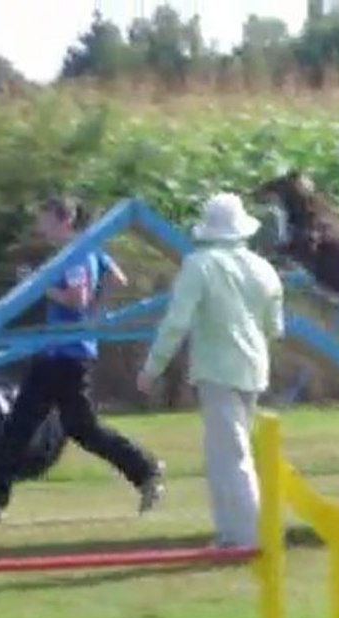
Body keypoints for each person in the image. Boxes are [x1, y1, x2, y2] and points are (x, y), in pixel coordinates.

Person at [0, 196, 166, 523]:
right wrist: (97, 314)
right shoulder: (88, 249)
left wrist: (38, 285)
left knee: (60, 427)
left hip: (65, 355)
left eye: (43, 219)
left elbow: (76, 298)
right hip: (62, 351)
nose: (38, 227)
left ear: (64, 220)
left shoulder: (73, 256)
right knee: (38, 424)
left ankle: (146, 468)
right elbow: (116, 277)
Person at [136, 191, 284, 548]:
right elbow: (275, 328)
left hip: (218, 368)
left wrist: (152, 367)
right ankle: (233, 533)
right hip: (254, 367)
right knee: (230, 452)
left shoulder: (199, 265)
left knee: (229, 455)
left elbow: (176, 323)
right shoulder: (264, 268)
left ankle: (246, 536)